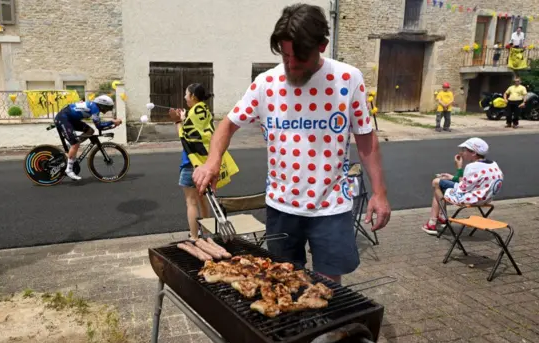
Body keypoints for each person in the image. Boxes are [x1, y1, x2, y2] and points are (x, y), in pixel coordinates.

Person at [192, 3, 391, 283]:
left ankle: (328, 326)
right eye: (286, 57)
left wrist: (379, 193)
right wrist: (213, 162)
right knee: (284, 280)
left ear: (322, 46)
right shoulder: (266, 83)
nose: (292, 65)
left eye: (300, 58)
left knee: (328, 286)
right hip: (281, 205)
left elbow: (365, 137)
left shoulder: (348, 79)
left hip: (331, 205)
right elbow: (227, 124)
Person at [422, 137, 503, 235]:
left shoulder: (472, 167)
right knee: (441, 182)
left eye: (464, 150)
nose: (461, 153)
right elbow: (470, 182)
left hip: (471, 198)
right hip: (486, 198)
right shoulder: (493, 164)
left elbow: (462, 188)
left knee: (436, 183)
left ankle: (433, 222)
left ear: (473, 153)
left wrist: (459, 168)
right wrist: (452, 178)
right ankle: (441, 217)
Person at [169, 83, 213, 241]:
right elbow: (198, 131)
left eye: (186, 94)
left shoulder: (193, 113)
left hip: (191, 163)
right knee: (203, 200)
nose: (184, 97)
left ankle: (194, 237)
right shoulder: (204, 111)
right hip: (206, 161)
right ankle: (207, 234)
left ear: (193, 96)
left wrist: (178, 122)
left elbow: (185, 138)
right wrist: (185, 118)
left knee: (191, 202)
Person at [54, 95, 122, 180]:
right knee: (75, 144)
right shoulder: (95, 108)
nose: (107, 110)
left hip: (70, 119)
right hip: (63, 118)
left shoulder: (94, 106)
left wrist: (111, 124)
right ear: (102, 105)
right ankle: (69, 170)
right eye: (107, 108)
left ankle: (71, 145)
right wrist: (112, 121)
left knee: (90, 131)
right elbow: (99, 125)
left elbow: (98, 125)